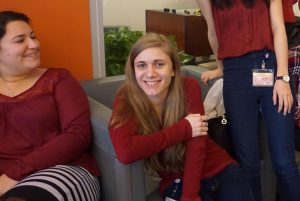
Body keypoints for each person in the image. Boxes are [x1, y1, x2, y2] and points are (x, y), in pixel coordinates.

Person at [108, 33, 255, 201]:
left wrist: (190, 197)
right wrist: (184, 128)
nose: (150, 73)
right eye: (141, 65)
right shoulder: (126, 99)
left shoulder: (188, 87)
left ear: (172, 70)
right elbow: (126, 152)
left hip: (217, 166)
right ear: (133, 71)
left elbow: (197, 146)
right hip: (175, 180)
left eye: (159, 64)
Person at [195, 0, 300, 201]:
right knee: (248, 163)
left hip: (271, 66)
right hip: (236, 74)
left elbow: (278, 29)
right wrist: (221, 68)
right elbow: (213, 31)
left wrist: (283, 77)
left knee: (284, 163)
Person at [0, 11, 100, 201]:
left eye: (33, 37)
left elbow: (77, 134)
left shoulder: (58, 79)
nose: (34, 45)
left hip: (62, 169)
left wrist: (12, 175)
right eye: (20, 40)